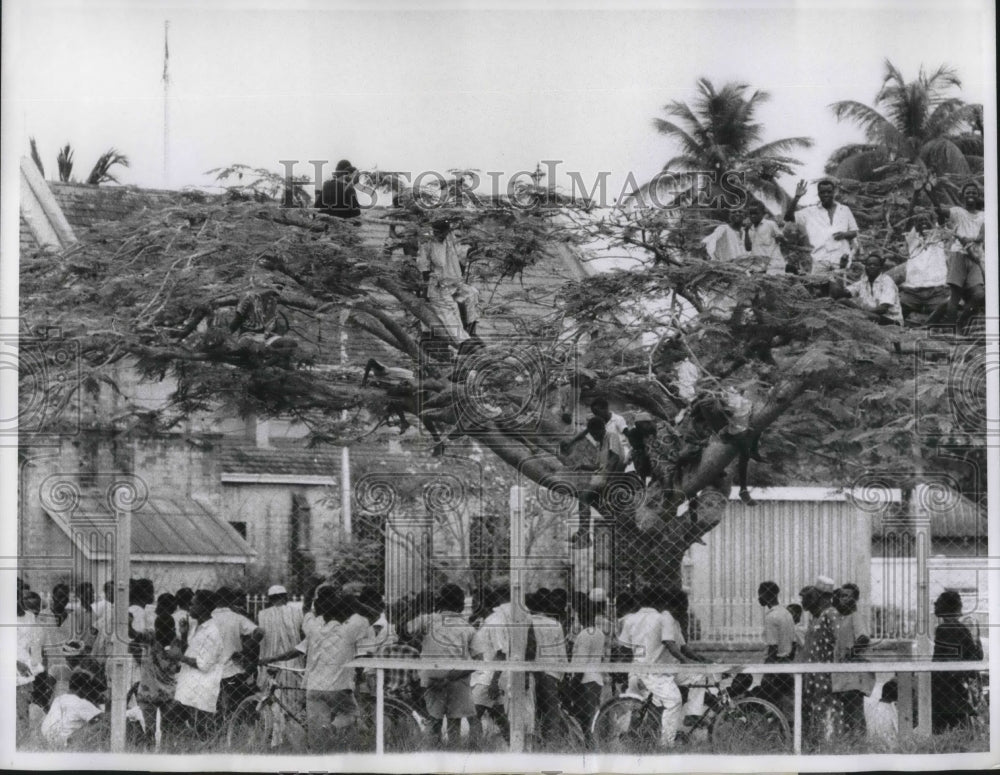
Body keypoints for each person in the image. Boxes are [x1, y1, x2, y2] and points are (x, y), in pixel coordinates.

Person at [262, 586, 369, 752]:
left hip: (313, 687)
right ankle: (333, 728)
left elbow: (298, 643)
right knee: (351, 714)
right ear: (344, 613)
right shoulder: (350, 630)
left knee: (317, 740)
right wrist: (352, 601)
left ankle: (319, 753)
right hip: (338, 687)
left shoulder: (313, 628)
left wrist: (272, 659)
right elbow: (372, 615)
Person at [617, 586, 683, 747]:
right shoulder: (663, 619)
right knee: (674, 702)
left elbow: (624, 650)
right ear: (661, 601)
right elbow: (670, 644)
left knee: (640, 710)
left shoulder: (629, 619)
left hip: (635, 671)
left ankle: (635, 743)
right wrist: (686, 661)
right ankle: (666, 744)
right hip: (655, 673)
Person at [418, 583, 483, 747]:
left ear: (440, 601)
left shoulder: (427, 620)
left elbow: (403, 629)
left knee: (434, 721)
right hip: (458, 679)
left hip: (433, 676)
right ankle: (454, 755)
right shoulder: (468, 628)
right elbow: (479, 659)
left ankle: (432, 754)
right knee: (455, 724)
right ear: (461, 603)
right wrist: (454, 675)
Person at [927, 181, 985, 327]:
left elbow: (983, 236)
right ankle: (950, 328)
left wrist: (969, 239)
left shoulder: (984, 215)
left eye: (974, 192)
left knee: (979, 294)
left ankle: (961, 323)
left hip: (975, 257)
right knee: (955, 295)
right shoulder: (957, 212)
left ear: (978, 196)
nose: (971, 195)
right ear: (963, 196)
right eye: (968, 193)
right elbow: (940, 211)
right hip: (959, 254)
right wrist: (930, 191)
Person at [170, 589, 224, 738]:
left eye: (193, 604)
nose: (190, 607)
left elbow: (204, 664)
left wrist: (180, 657)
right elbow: (190, 653)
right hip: (188, 687)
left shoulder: (212, 632)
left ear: (204, 607)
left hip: (201, 690)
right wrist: (184, 634)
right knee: (173, 723)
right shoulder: (196, 627)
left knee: (200, 730)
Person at [256, 584, 304, 746]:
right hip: (292, 662)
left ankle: (276, 739)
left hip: (269, 662)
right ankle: (292, 738)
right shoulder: (297, 612)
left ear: (270, 599)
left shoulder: (262, 614)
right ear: (286, 597)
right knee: (292, 703)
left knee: (272, 701)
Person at [931, 590, 983, 733]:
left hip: (944, 686)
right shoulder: (964, 629)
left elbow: (942, 660)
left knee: (942, 728)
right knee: (959, 727)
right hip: (958, 685)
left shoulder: (943, 629)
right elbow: (976, 656)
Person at [784, 177, 859, 275]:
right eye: (822, 192)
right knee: (818, 288)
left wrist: (844, 235)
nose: (826, 195)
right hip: (820, 260)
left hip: (841, 259)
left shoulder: (844, 210)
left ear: (834, 192)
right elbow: (788, 218)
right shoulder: (810, 212)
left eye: (829, 192)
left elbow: (854, 232)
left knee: (836, 288)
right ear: (818, 194)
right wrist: (797, 197)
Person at [571, 415, 627, 547]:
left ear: (601, 429)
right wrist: (583, 466)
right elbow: (598, 465)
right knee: (592, 500)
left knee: (584, 496)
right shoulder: (600, 444)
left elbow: (614, 458)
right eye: (592, 435)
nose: (594, 437)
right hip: (602, 475)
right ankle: (614, 528)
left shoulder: (611, 436)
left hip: (611, 476)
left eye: (595, 434)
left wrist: (606, 477)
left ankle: (584, 536)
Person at [661, 588, 711, 730]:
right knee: (698, 675)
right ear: (675, 605)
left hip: (673, 668)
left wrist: (701, 659)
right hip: (665, 668)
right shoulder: (666, 618)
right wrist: (686, 661)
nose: (685, 610)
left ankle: (692, 712)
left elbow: (683, 647)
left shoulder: (674, 621)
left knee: (700, 673)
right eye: (684, 606)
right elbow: (669, 644)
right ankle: (692, 715)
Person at [417, 218, 475, 343]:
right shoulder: (428, 244)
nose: (443, 235)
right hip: (437, 285)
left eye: (445, 232)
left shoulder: (450, 241)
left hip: (453, 282)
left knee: (471, 294)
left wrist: (474, 248)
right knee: (449, 310)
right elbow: (424, 268)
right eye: (440, 232)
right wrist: (425, 291)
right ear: (435, 232)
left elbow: (461, 254)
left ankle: (470, 332)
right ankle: (462, 341)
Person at [800, 584, 843, 746]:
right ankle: (816, 743)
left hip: (825, 672)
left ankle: (830, 744)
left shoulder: (830, 614)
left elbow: (839, 642)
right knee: (814, 709)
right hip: (812, 674)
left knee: (826, 709)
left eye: (807, 598)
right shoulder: (815, 618)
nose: (804, 602)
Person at [831, 584, 874, 738]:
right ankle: (851, 742)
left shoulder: (855, 616)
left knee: (854, 712)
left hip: (854, 674)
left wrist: (850, 653)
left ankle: (859, 743)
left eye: (848, 596)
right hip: (844, 674)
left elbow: (863, 638)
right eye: (842, 596)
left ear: (855, 598)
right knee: (847, 714)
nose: (844, 599)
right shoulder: (842, 618)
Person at [212, 587, 264, 714]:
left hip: (210, 668)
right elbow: (259, 631)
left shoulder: (207, 618)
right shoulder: (236, 617)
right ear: (231, 600)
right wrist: (244, 649)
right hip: (232, 668)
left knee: (213, 704)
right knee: (233, 704)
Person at [470, 585, 512, 738]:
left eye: (475, 602)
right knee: (499, 717)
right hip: (485, 676)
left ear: (484, 602)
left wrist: (494, 680)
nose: (472, 605)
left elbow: (501, 653)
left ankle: (474, 749)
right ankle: (513, 745)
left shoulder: (495, 623)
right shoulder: (486, 621)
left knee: (473, 715)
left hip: (488, 678)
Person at [525, 589, 567, 742]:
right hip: (551, 673)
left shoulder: (526, 623)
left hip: (531, 672)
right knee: (550, 712)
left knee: (532, 710)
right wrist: (562, 677)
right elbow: (562, 654)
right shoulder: (555, 624)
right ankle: (551, 744)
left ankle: (535, 742)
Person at [892, 211, 950, 322]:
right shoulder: (912, 239)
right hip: (913, 292)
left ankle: (928, 325)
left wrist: (932, 195)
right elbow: (908, 217)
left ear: (933, 222)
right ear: (915, 225)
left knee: (947, 313)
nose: (923, 222)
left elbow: (941, 216)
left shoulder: (938, 236)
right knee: (895, 314)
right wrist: (916, 194)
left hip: (936, 291)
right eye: (920, 221)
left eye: (926, 220)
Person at [134, 610, 181, 746]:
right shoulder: (150, 636)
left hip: (167, 692)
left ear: (173, 629)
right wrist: (140, 660)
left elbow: (177, 667)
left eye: (168, 630)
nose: (164, 634)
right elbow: (134, 639)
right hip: (149, 691)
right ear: (156, 629)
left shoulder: (176, 641)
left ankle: (165, 756)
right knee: (149, 730)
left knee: (168, 730)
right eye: (161, 630)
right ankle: (150, 755)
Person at [567, 592, 605, 744]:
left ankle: (588, 745)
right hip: (596, 677)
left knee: (584, 718)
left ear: (580, 616)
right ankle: (591, 744)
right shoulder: (600, 633)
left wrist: (573, 684)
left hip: (585, 680)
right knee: (591, 716)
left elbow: (581, 662)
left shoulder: (583, 635)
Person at [755, 581, 795, 716]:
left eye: (760, 594)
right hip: (788, 664)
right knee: (784, 705)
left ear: (766, 595)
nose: (758, 598)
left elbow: (772, 647)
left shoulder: (771, 617)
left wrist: (767, 673)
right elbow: (793, 642)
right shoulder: (787, 613)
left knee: (764, 702)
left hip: (775, 666)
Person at [836, 251, 903, 326]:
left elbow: (883, 309)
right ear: (865, 267)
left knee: (868, 316)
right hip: (866, 313)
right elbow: (841, 294)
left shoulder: (887, 282)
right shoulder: (863, 282)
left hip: (890, 319)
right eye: (869, 265)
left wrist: (860, 312)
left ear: (881, 267)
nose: (872, 267)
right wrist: (841, 268)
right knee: (842, 301)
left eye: (875, 265)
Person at [40, 670, 103, 748]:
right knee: (102, 723)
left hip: (48, 740)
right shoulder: (81, 702)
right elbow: (102, 718)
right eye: (90, 689)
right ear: (84, 688)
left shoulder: (59, 699)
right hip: (67, 742)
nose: (92, 692)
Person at [17, 590, 44, 745]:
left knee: (23, 708)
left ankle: (23, 744)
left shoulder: (30, 617)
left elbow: (35, 647)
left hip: (26, 671)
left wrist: (36, 667)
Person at [745, 201, 787, 275]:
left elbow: (783, 241)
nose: (753, 216)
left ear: (762, 213)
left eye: (756, 213)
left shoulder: (770, 224)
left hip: (773, 266)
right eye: (751, 214)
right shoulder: (749, 229)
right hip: (758, 267)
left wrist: (780, 238)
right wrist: (746, 231)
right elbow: (748, 248)